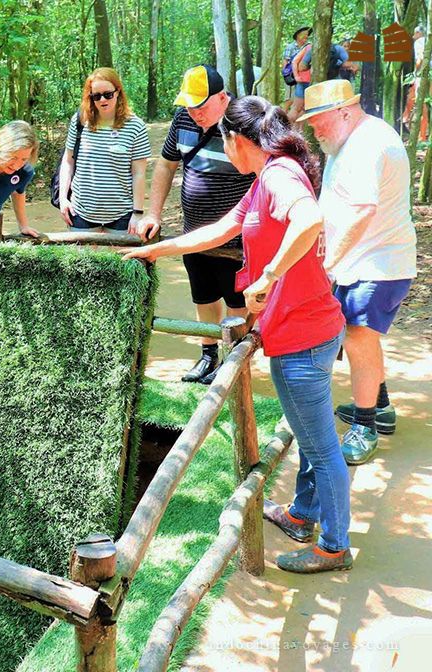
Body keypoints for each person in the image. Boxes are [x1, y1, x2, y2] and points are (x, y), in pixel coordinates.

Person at [126, 96, 352, 574]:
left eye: (223, 140)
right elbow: (219, 230)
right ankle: (302, 515)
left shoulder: (278, 175)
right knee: (311, 436)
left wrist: (267, 276)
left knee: (321, 448)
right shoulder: (265, 177)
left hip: (303, 335)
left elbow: (309, 220)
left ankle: (333, 546)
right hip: (307, 328)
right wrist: (158, 250)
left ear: (237, 140)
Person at [300, 80, 417, 465]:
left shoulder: (368, 143)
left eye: (319, 123)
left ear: (344, 112)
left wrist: (329, 263)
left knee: (357, 337)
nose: (315, 133)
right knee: (361, 338)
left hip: (377, 263)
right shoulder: (346, 140)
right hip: (362, 261)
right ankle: (379, 406)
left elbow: (364, 210)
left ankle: (365, 426)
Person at [135, 65, 254, 385]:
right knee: (203, 296)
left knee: (237, 301)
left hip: (238, 239)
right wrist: (153, 214)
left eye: (200, 105)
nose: (194, 112)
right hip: (195, 235)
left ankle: (235, 360)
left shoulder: (243, 123)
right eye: (188, 104)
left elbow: (264, 175)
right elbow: (166, 165)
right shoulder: (183, 121)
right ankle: (208, 355)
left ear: (222, 98)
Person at [57, 67, 150, 232]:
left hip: (122, 213)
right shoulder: (80, 121)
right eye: (96, 96)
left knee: (122, 258)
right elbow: (68, 161)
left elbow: (139, 173)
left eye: (108, 94)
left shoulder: (135, 126)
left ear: (118, 92)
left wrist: (137, 212)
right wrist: (63, 198)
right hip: (81, 211)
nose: (102, 100)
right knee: (81, 259)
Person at [402, 26, 429, 141]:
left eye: (414, 34)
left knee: (421, 104)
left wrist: (416, 73)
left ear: (419, 33)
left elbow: (420, 59)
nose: (413, 37)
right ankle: (406, 119)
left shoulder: (419, 42)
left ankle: (422, 137)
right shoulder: (428, 41)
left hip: (423, 75)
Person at [282, 27, 311, 116]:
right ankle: (282, 116)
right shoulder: (290, 47)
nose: (305, 37)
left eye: (307, 35)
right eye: (303, 35)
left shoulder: (307, 47)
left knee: (298, 100)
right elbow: (285, 62)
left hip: (302, 77)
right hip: (292, 76)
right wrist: (287, 76)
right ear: (298, 35)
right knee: (289, 99)